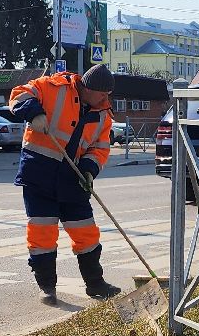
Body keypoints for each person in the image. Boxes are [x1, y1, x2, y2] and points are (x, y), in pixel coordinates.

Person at [7, 63, 120, 302]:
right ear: (87, 87)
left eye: (108, 95)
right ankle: (47, 287)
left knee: (86, 232)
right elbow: (18, 94)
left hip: (73, 178)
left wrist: (89, 170)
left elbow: (100, 148)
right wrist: (33, 112)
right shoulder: (52, 87)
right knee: (42, 233)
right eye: (102, 93)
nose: (105, 98)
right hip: (40, 174)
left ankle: (95, 284)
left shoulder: (102, 114)